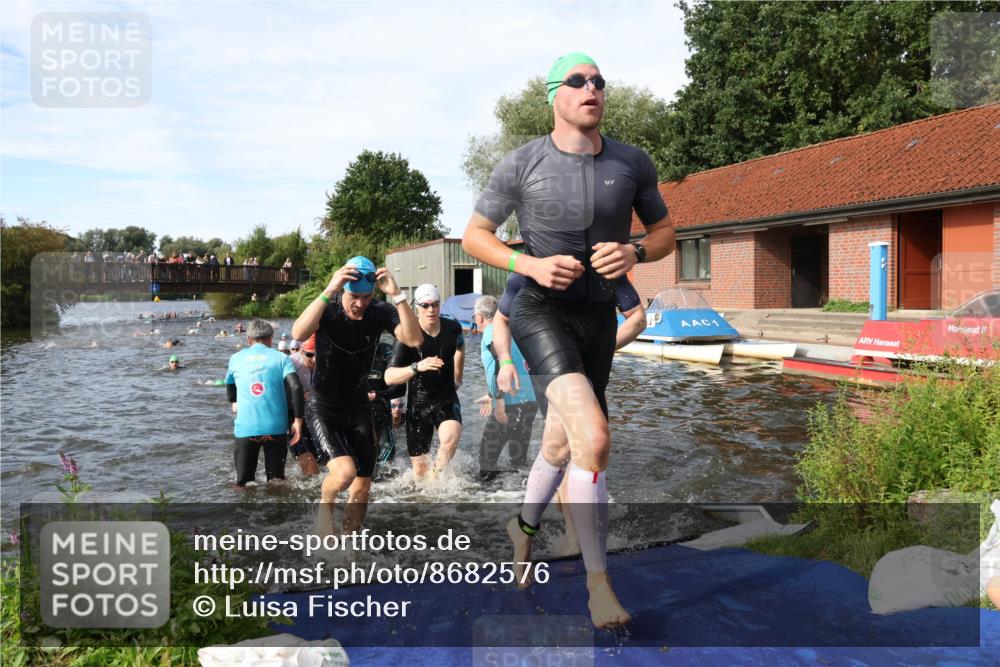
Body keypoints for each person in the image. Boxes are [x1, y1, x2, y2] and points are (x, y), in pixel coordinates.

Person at [461, 53, 675, 629]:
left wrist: (635, 251)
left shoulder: (632, 162)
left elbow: (665, 234)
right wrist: (526, 264)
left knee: (560, 444)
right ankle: (597, 585)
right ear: (554, 94)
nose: (592, 88)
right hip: (540, 310)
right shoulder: (522, 162)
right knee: (595, 437)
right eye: (579, 81)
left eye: (599, 81)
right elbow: (474, 236)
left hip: (598, 317)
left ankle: (523, 527)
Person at [290, 256, 421, 533]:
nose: (360, 304)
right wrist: (329, 289)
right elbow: (299, 332)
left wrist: (397, 295)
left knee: (362, 488)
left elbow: (414, 339)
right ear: (344, 291)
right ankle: (325, 504)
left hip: (359, 408)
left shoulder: (380, 311)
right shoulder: (329, 309)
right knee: (344, 474)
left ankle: (350, 544)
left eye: (366, 297)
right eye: (354, 297)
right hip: (324, 407)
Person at [384, 284, 465, 479]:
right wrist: (416, 367)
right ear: (417, 307)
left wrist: (458, 377)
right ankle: (427, 488)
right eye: (426, 305)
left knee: (450, 438)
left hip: (446, 398)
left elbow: (461, 347)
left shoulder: (453, 328)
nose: (431, 310)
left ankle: (435, 479)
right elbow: (389, 376)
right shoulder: (406, 337)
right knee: (419, 472)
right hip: (418, 406)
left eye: (435, 304)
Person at [224, 319, 305, 488]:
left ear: (248, 339)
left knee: (243, 483)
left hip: (246, 428)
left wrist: (234, 401)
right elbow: (296, 387)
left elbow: (230, 388)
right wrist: (298, 421)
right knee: (277, 482)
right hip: (276, 427)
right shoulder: (282, 358)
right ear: (271, 338)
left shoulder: (235, 358)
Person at [473, 295, 535, 483]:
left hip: (509, 404)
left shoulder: (491, 331)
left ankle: (487, 498)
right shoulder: (513, 331)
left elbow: (500, 360)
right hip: (529, 401)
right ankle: (523, 494)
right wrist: (491, 394)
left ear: (479, 317)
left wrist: (499, 399)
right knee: (519, 463)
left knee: (486, 462)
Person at [367, 341, 406, 475]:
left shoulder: (388, 352)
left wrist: (377, 395)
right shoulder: (348, 351)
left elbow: (400, 389)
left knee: (386, 466)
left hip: (381, 415)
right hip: (355, 416)